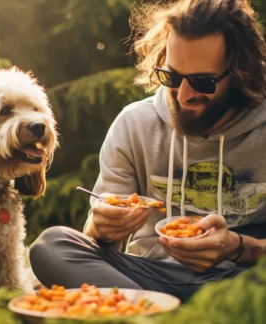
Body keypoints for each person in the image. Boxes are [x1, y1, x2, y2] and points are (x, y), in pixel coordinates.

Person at [29, 0, 266, 301]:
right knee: (52, 245)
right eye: (173, 77)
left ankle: (144, 314)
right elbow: (97, 242)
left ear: (240, 72)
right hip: (149, 277)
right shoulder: (134, 124)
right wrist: (101, 228)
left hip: (244, 282)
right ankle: (154, 312)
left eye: (203, 82)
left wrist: (238, 247)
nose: (183, 95)